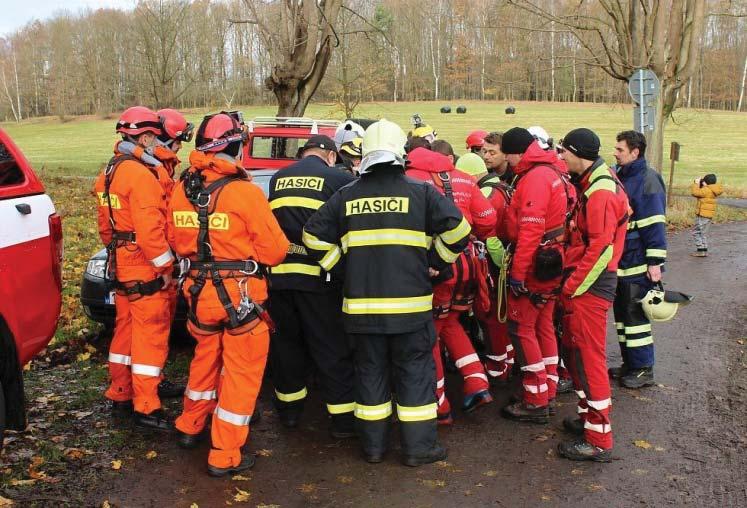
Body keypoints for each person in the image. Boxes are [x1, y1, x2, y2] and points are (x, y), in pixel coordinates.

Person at [302, 119, 470, 466]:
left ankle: (374, 448)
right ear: (400, 152)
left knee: (370, 376)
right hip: (411, 311)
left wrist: (343, 268)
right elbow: (460, 230)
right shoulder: (421, 193)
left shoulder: (346, 195)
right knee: (414, 376)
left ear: (364, 154)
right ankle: (418, 448)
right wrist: (435, 261)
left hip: (362, 312)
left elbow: (312, 236)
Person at [168, 112, 289, 477]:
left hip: (199, 295)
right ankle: (224, 453)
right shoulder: (244, 193)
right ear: (236, 145)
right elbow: (275, 252)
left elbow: (176, 241)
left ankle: (190, 425)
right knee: (241, 373)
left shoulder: (180, 189)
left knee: (205, 358)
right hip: (241, 298)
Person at [267, 135, 357, 437]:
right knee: (330, 345)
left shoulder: (278, 177)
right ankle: (343, 420)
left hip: (279, 275)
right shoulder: (337, 178)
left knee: (287, 345)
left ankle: (290, 412)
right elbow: (345, 226)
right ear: (331, 155)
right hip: (319, 276)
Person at [94, 106, 175, 431]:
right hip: (143, 266)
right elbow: (150, 231)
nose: (158, 142)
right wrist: (166, 266)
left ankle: (121, 392)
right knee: (149, 336)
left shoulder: (108, 172)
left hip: (121, 263)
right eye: (155, 137)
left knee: (124, 330)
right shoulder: (141, 176)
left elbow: (104, 226)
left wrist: (118, 251)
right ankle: (147, 406)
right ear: (143, 136)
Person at [405, 142, 497, 423]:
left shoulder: (412, 180)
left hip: (437, 266)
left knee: (429, 330)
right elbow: (488, 220)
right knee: (451, 322)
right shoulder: (462, 177)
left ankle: (439, 404)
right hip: (468, 265)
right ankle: (476, 381)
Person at [556, 128, 629, 462]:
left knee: (589, 359)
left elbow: (601, 249)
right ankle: (589, 421)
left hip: (590, 286)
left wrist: (571, 288)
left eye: (563, 151)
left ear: (578, 153)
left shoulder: (600, 191)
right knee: (580, 358)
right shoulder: (594, 182)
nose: (560, 157)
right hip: (588, 283)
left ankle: (599, 439)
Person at [498, 127, 571, 424]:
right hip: (553, 260)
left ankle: (535, 399)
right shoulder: (553, 171)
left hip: (535, 264)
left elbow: (530, 230)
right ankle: (547, 389)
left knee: (521, 328)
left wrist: (517, 272)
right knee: (543, 326)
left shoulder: (535, 178)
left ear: (515, 152)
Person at [611, 130, 667, 389]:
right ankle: (630, 364)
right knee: (622, 316)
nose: (615, 153)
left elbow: (655, 224)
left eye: (620, 149)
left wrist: (655, 262)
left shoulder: (648, 180)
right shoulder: (622, 175)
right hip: (622, 259)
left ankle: (644, 369)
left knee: (635, 318)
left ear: (635, 152)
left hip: (637, 262)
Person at [455, 152, 514, 383]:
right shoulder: (503, 187)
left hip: (492, 263)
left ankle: (497, 365)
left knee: (490, 315)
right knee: (501, 316)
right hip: (506, 259)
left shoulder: (486, 194)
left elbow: (482, 230)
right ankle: (507, 359)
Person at [690, 173, 722, 257]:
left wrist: (696, 183)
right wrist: (704, 185)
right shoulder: (713, 189)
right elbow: (702, 193)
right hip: (708, 214)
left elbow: (695, 192)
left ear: (706, 182)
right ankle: (704, 249)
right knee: (703, 232)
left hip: (702, 214)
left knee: (696, 232)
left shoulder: (707, 190)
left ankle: (700, 250)